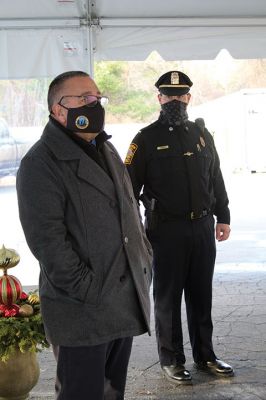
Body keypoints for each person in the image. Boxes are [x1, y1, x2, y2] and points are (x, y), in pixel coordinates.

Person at [16, 70, 152, 400]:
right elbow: (48, 243)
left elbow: (129, 211)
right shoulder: (40, 163)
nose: (94, 105)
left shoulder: (106, 149)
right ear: (59, 110)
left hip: (121, 302)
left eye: (97, 98)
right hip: (82, 311)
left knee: (111, 394)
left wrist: (144, 257)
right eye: (85, 99)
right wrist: (89, 289)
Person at [125, 70, 233, 384]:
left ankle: (206, 356)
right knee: (167, 298)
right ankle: (171, 359)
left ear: (188, 97)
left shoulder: (201, 135)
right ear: (159, 98)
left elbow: (215, 178)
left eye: (180, 94)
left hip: (201, 228)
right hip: (165, 232)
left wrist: (223, 215)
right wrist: (136, 235)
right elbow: (128, 191)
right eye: (168, 95)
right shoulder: (144, 139)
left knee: (202, 295)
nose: (175, 100)